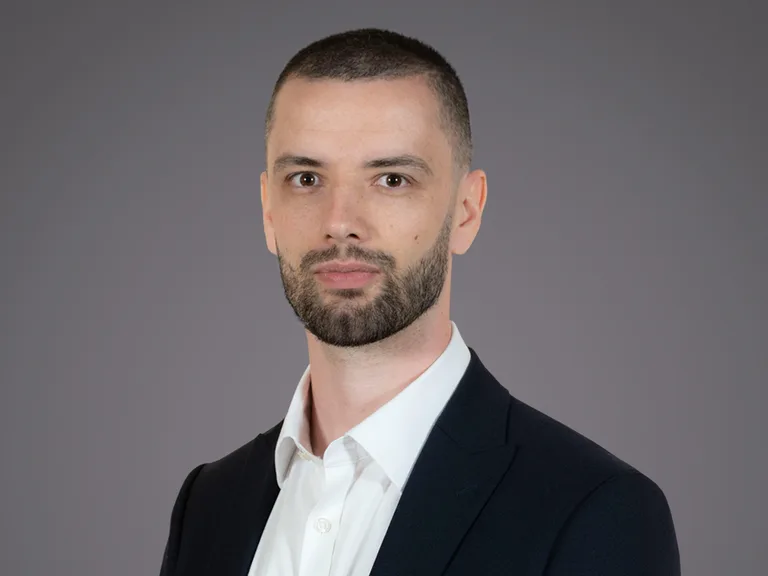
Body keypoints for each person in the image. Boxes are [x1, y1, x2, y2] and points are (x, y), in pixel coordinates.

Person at [159, 28, 680, 576]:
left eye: (390, 179)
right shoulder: (210, 505)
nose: (341, 223)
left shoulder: (596, 510)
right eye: (306, 178)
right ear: (268, 211)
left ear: (466, 211)